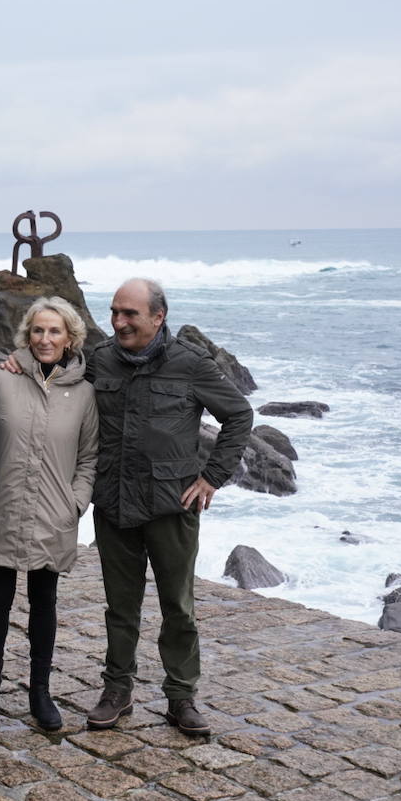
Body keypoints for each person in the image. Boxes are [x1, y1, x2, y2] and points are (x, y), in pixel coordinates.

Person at [84, 277, 252, 737]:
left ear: (158, 317)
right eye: (114, 312)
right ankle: (116, 690)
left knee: (178, 607)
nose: (118, 322)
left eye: (129, 314)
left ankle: (181, 696)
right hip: (114, 502)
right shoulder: (100, 360)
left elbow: (239, 415)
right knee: (121, 607)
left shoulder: (191, 364)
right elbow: (56, 386)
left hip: (171, 507)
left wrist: (212, 477)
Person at [0, 297, 97, 732]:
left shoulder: (84, 394)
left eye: (55, 332)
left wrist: (74, 504)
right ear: (27, 336)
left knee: (44, 602)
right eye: (38, 331)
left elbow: (89, 458)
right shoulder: (0, 380)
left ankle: (39, 693)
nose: (45, 339)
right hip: (4, 509)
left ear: (70, 339)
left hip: (54, 515)